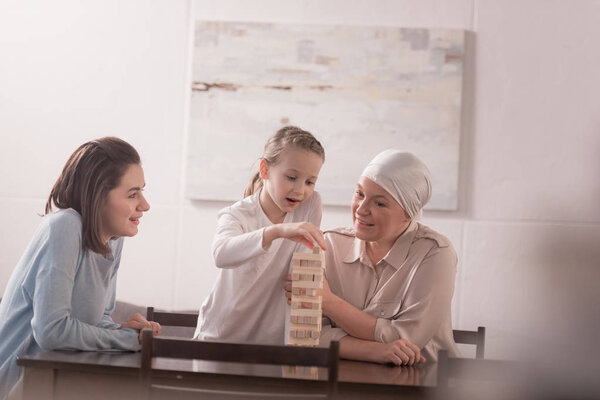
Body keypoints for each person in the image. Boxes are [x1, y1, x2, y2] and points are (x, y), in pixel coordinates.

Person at [0, 137, 160, 400]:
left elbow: (98, 319)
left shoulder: (113, 239)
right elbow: (50, 331)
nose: (145, 205)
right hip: (19, 382)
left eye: (142, 191)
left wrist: (121, 331)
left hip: (57, 378)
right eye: (133, 194)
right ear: (98, 195)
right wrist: (131, 342)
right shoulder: (64, 226)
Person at [286, 150, 459, 365]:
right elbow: (308, 335)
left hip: (424, 386)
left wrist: (329, 302)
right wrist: (374, 351)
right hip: (344, 383)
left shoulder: (435, 254)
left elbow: (407, 341)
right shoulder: (328, 245)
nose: (361, 209)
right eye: (359, 194)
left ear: (408, 214)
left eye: (379, 203)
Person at [194, 126, 326, 344]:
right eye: (292, 177)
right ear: (265, 170)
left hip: (271, 343)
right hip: (221, 336)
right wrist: (276, 232)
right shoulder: (238, 214)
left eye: (310, 182)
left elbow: (299, 278)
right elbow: (221, 254)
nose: (300, 190)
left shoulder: (310, 205)